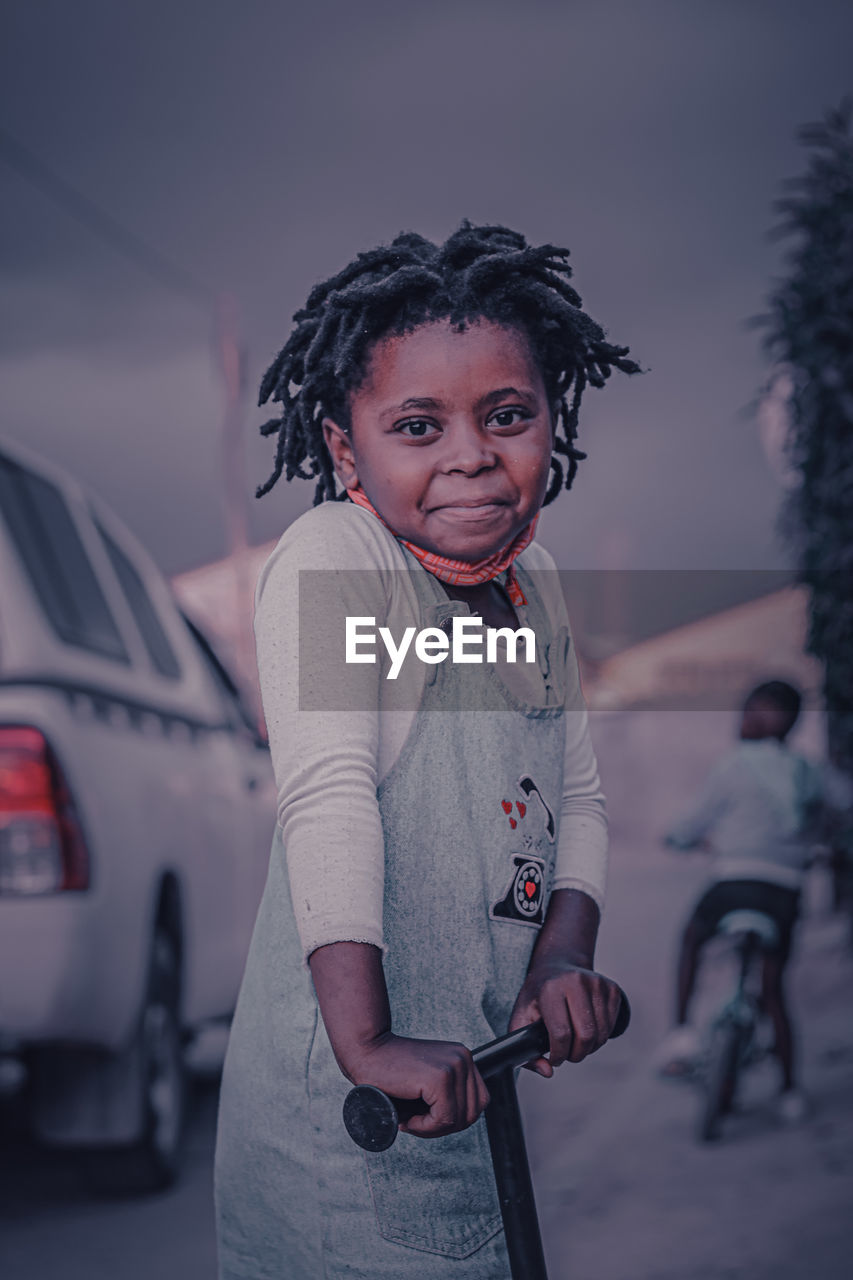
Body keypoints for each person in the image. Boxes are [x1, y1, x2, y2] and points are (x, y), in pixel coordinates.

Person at [214, 222, 639, 1279]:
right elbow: (328, 797)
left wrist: (561, 956)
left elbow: (575, 797)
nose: (470, 454)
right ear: (347, 447)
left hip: (470, 1094)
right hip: (355, 1119)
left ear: (554, 418)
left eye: (507, 414)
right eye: (417, 424)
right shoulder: (339, 560)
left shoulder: (532, 586)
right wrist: (368, 1041)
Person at [658, 680, 828, 1119]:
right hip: (784, 893)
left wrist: (678, 838)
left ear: (775, 718)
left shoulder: (734, 765)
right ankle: (790, 1092)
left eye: (753, 710)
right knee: (774, 989)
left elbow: (691, 823)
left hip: (732, 884)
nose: (744, 718)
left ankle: (682, 1034)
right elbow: (839, 811)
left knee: (693, 938)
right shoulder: (812, 772)